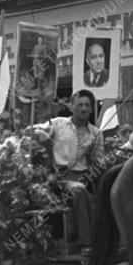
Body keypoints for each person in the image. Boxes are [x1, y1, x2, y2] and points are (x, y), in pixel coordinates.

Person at [33, 90, 104, 250]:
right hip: (59, 180)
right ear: (71, 107)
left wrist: (91, 154)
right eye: (79, 105)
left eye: (87, 105)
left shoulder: (96, 133)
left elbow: (99, 164)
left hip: (86, 178)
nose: (84, 108)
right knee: (79, 190)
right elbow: (33, 131)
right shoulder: (58, 123)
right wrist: (43, 136)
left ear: (92, 109)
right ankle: (87, 242)